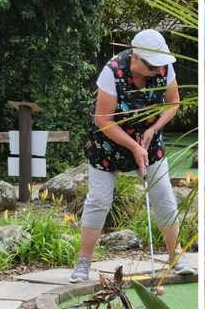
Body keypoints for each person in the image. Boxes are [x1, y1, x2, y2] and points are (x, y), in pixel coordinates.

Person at [69, 29, 196, 283]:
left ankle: (176, 256)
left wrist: (152, 130)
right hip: (109, 143)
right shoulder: (112, 72)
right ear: (136, 57)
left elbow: (173, 104)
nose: (156, 70)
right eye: (151, 65)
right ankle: (83, 262)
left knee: (163, 196)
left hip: (148, 139)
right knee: (99, 200)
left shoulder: (164, 69)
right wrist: (133, 146)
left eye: (158, 65)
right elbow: (103, 119)